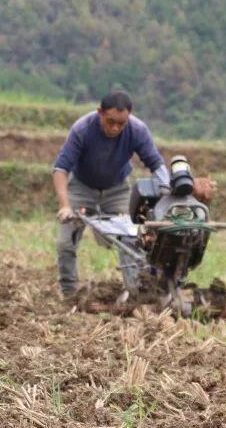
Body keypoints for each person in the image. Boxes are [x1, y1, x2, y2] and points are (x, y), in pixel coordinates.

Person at [52, 90, 214, 299]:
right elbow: (61, 169)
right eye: (110, 122)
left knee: (132, 237)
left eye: (121, 124)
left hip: (117, 189)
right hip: (81, 188)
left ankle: (138, 289)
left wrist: (169, 195)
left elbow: (156, 166)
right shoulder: (82, 129)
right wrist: (64, 205)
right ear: (100, 112)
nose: (115, 128)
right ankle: (70, 292)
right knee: (66, 242)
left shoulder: (137, 130)